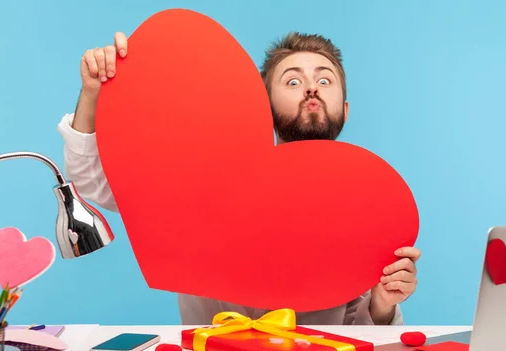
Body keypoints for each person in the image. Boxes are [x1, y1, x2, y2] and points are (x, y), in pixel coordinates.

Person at [58, 31, 421, 326]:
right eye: (293, 81)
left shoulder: (365, 202)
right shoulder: (201, 172)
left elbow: (357, 334)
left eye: (324, 80)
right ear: (265, 107)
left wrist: (383, 305)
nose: (311, 88)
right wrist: (92, 92)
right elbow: (93, 183)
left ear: (344, 109)